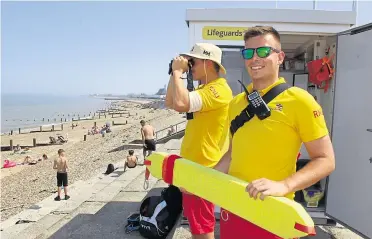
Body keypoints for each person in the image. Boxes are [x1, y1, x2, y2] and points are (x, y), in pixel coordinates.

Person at [213, 26, 336, 239]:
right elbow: (233, 154)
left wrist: (284, 185)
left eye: (263, 51)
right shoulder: (235, 103)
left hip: (275, 213)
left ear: (279, 57)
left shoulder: (300, 100)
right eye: (248, 53)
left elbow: (326, 160)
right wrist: (203, 179)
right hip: (233, 209)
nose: (254, 58)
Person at [165, 43, 233, 239]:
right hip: (195, 166)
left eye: (193, 61)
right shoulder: (206, 88)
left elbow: (180, 103)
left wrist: (178, 73)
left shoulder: (218, 90)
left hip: (204, 167)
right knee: (198, 225)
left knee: (202, 228)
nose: (190, 65)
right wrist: (174, 74)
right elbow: (171, 102)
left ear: (208, 63)